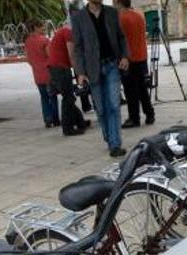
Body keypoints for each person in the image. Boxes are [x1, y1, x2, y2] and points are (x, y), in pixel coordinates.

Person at [71, 0, 130, 157]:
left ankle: (115, 144)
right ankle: (109, 137)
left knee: (114, 105)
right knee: (101, 109)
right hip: (93, 69)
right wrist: (80, 72)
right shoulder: (78, 17)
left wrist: (124, 56)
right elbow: (78, 47)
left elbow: (121, 37)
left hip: (112, 65)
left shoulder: (112, 12)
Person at [49, 15, 91, 135]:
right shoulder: (68, 33)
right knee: (67, 98)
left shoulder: (63, 31)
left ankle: (80, 122)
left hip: (56, 67)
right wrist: (80, 73)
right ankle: (67, 129)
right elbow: (72, 55)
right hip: (60, 68)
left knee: (69, 97)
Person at [117, 0, 155, 128]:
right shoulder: (139, 15)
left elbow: (120, 40)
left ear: (118, 2)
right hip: (141, 57)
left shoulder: (121, 18)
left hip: (129, 59)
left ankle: (134, 118)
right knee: (142, 88)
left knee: (130, 91)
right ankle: (150, 114)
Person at [24, 20, 60, 128]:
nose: (44, 29)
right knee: (52, 96)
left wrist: (36, 65)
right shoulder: (44, 40)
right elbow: (50, 56)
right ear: (35, 27)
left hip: (37, 74)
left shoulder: (27, 41)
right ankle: (55, 119)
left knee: (44, 97)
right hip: (48, 73)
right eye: (42, 28)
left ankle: (47, 119)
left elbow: (28, 59)